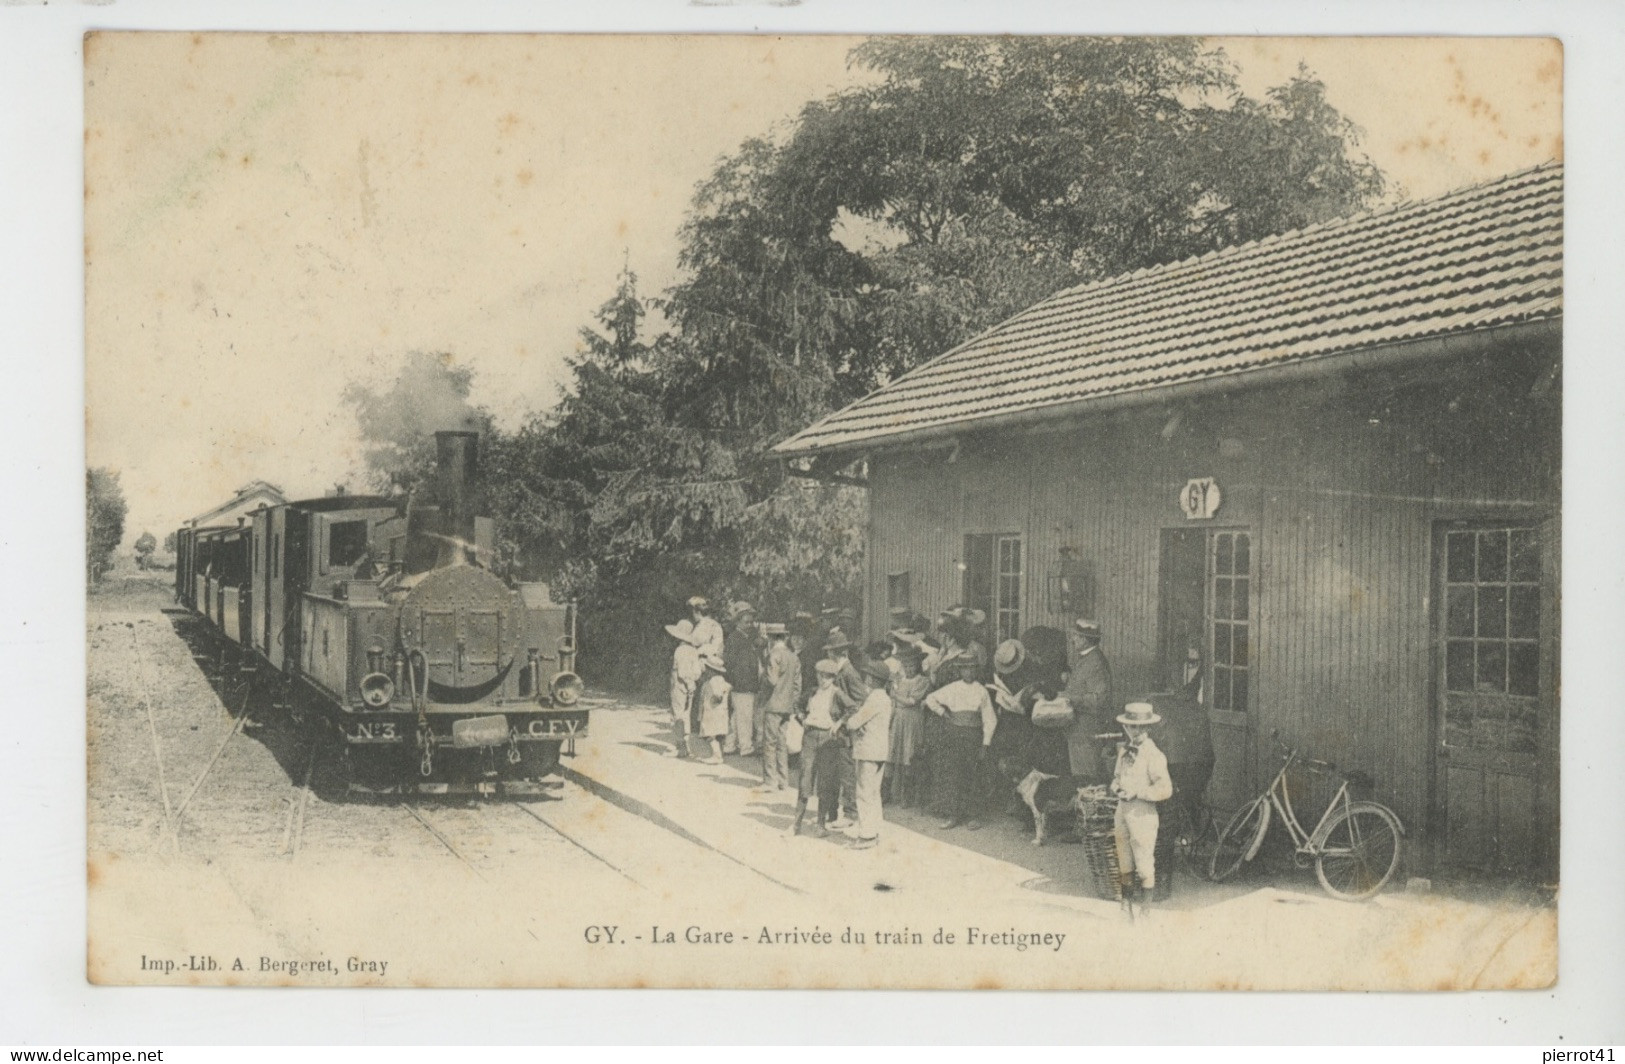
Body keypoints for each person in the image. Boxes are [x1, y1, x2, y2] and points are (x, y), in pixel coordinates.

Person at [1111, 701, 1174, 921]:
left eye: (1139, 727)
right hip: (1123, 811)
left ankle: (1146, 911)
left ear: (1147, 728)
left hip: (1143, 814)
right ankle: (1126, 906)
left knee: (1144, 863)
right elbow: (1117, 777)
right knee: (1124, 859)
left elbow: (1165, 788)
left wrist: (1138, 792)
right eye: (1130, 727)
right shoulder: (1123, 751)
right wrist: (1117, 787)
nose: (1134, 731)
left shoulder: (1153, 754)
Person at [923, 655, 997, 830]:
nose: (968, 672)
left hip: (973, 735)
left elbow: (990, 719)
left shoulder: (981, 691)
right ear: (959, 670)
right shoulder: (953, 688)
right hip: (954, 734)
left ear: (976, 670)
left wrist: (985, 743)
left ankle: (973, 815)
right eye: (965, 668)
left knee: (973, 774)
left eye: (972, 668)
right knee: (953, 773)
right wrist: (944, 713)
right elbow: (930, 699)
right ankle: (954, 815)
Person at [841, 659, 894, 849]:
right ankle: (875, 830)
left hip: (867, 750)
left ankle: (866, 835)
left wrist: (850, 723)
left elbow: (855, 722)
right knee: (873, 793)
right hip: (879, 750)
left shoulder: (875, 698)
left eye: (867, 676)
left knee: (863, 793)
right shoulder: (885, 698)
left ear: (872, 679)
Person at [790, 659, 841, 836]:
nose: (823, 680)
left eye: (828, 677)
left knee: (825, 781)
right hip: (810, 737)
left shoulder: (837, 694)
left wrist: (838, 724)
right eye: (821, 676)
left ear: (833, 678)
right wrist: (801, 718)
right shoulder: (812, 692)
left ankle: (820, 824)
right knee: (805, 778)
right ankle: (796, 824)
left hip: (828, 740)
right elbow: (796, 704)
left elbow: (852, 709)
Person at [1062, 619, 1114, 781]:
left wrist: (1070, 699)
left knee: (1087, 781)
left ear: (1085, 639)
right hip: (1078, 732)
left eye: (1076, 636)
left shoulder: (1096, 662)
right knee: (1080, 778)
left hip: (1087, 733)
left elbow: (1099, 700)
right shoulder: (1087, 658)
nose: (1073, 640)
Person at [884, 640, 929, 806]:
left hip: (912, 720)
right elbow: (894, 701)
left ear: (918, 666)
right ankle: (886, 792)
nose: (909, 669)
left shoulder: (922, 681)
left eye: (913, 666)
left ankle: (906, 795)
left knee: (908, 757)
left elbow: (911, 701)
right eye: (906, 665)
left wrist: (895, 696)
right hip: (898, 719)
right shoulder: (899, 680)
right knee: (891, 755)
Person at [758, 623, 800, 792]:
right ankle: (784, 780)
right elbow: (797, 684)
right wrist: (792, 702)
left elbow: (772, 680)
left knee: (769, 743)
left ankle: (770, 780)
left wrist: (763, 680)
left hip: (773, 704)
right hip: (787, 705)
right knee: (782, 743)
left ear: (771, 638)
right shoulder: (793, 656)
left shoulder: (773, 655)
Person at [723, 601, 761, 757]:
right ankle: (745, 746)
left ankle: (730, 744)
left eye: (751, 622)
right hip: (742, 683)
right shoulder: (735, 638)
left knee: (737, 715)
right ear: (738, 622)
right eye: (746, 622)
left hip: (746, 683)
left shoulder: (746, 637)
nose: (750, 625)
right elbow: (730, 662)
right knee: (745, 715)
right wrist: (735, 679)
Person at [664, 619, 703, 758]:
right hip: (690, 683)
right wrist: (692, 682)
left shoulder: (680, 650)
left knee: (678, 714)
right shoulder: (693, 650)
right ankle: (685, 745)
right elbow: (697, 670)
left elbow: (682, 671)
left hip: (680, 683)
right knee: (686, 714)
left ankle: (681, 747)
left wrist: (687, 681)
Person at [694, 655, 731, 765]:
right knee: (718, 733)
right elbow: (728, 687)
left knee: (709, 734)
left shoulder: (713, 681)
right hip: (721, 711)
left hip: (712, 711)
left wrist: (716, 700)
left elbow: (717, 695)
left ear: (711, 670)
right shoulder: (721, 680)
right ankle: (719, 754)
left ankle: (717, 755)